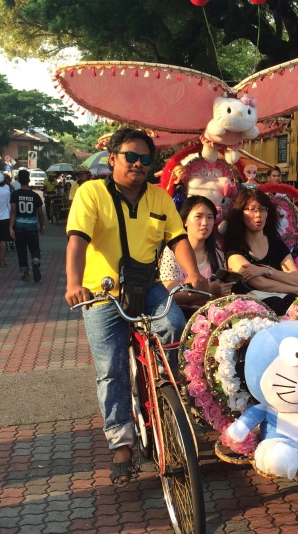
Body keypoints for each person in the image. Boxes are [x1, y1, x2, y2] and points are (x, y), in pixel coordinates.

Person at [65, 127, 209, 486]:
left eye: (146, 159)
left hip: (149, 288)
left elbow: (177, 239)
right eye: (131, 156)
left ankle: (168, 394)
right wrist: (73, 284)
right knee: (111, 370)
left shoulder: (159, 198)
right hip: (103, 294)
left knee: (175, 326)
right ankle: (122, 445)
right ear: (112, 158)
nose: (139, 164)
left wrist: (193, 273)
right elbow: (77, 241)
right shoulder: (91, 193)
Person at [225, 189, 298, 315]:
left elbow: (296, 278)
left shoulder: (276, 244)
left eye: (262, 209)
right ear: (241, 213)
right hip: (252, 311)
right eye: (252, 209)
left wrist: (265, 270)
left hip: (284, 301)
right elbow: (262, 284)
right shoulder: (235, 248)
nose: (258, 215)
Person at [159, 195, 234, 313]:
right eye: (198, 216)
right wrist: (209, 289)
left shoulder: (218, 255)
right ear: (184, 221)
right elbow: (169, 295)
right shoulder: (171, 253)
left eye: (210, 217)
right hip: (180, 316)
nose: (205, 223)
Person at [10, 169, 45, 282]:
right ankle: (35, 262)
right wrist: (42, 226)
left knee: (21, 251)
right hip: (32, 227)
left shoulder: (15, 194)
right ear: (29, 180)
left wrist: (10, 227)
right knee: (35, 248)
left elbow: (13, 212)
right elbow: (40, 214)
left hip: (19, 228)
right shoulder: (35, 196)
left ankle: (26, 274)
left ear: (19, 180)